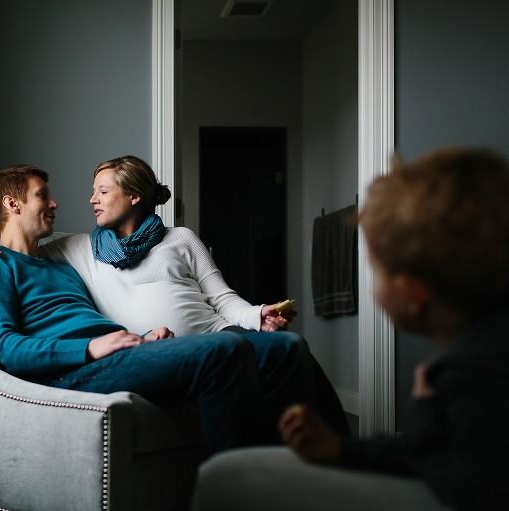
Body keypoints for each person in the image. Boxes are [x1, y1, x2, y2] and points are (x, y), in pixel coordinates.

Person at [191, 146, 509, 511]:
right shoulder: (478, 347)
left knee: (223, 477)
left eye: (376, 270)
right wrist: (342, 448)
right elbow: (439, 450)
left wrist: (425, 405)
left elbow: (468, 483)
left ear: (412, 292)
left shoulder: (472, 370)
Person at [0, 155, 351, 436]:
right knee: (225, 351)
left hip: (131, 349)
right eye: (42, 197)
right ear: (12, 203)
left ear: (135, 197)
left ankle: (326, 467)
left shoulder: (63, 262)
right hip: (78, 368)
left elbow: (221, 297)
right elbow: (2, 347)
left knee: (287, 347)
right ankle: (239, 489)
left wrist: (142, 340)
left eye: (102, 191)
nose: (56, 204)